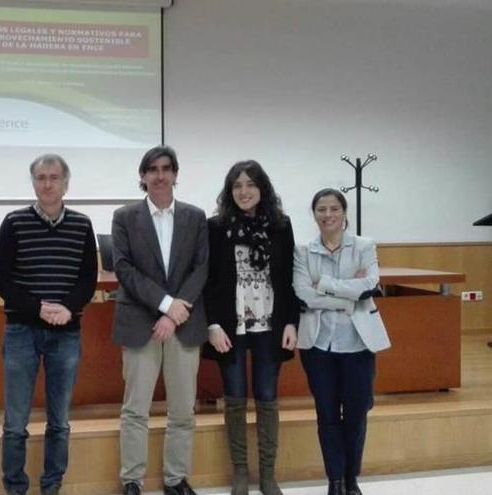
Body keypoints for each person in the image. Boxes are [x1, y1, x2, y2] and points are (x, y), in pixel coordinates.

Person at [0, 154, 99, 495]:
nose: (48, 184)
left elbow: (88, 279)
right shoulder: (14, 223)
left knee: (59, 423)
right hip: (22, 331)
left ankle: (52, 486)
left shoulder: (82, 225)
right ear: (33, 183)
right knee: (15, 423)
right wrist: (39, 308)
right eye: (41, 178)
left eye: (54, 178)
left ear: (66, 183)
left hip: (66, 334)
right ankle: (15, 489)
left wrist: (67, 308)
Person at [112, 145, 209, 495]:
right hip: (142, 323)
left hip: (184, 323)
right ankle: (132, 480)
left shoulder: (195, 217)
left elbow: (202, 268)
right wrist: (167, 305)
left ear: (175, 174)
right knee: (135, 409)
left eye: (166, 168)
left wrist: (175, 311)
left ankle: (175, 479)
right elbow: (124, 268)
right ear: (143, 176)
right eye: (152, 169)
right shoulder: (125, 217)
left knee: (182, 409)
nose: (160, 175)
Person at [202, 160, 299, 495]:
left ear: (263, 188)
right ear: (230, 191)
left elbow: (288, 279)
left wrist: (291, 321)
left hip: (270, 324)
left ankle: (268, 474)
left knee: (268, 396)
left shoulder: (280, 225)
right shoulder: (216, 227)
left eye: (250, 184)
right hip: (231, 326)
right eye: (237, 185)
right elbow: (209, 282)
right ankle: (241, 472)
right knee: (235, 398)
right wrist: (212, 324)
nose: (244, 191)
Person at [293, 188, 391, 495]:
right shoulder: (303, 251)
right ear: (314, 214)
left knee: (357, 412)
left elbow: (369, 284)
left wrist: (323, 284)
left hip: (358, 344)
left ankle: (352, 479)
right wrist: (348, 296)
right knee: (327, 415)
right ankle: (335, 481)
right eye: (321, 209)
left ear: (344, 212)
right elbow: (302, 293)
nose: (328, 215)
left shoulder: (364, 246)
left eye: (334, 208)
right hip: (319, 345)